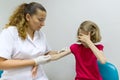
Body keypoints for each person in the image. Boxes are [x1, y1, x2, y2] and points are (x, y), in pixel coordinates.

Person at [0, 2, 69, 80]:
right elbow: (1, 64)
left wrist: (59, 52)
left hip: (39, 76)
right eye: (40, 20)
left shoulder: (40, 35)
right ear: (28, 17)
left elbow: (46, 53)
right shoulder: (10, 32)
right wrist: (34, 61)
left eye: (44, 20)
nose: (43, 24)